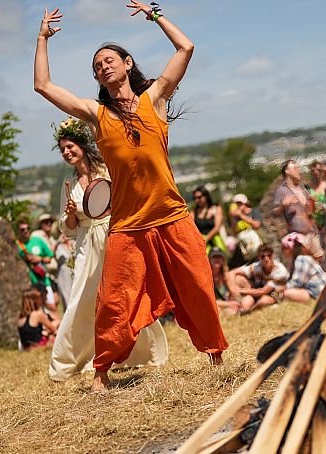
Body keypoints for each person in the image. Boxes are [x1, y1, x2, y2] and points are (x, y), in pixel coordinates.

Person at [34, 2, 228, 391]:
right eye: (97, 66)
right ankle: (102, 372)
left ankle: (215, 355)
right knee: (114, 301)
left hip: (172, 216)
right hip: (128, 225)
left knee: (199, 287)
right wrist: (42, 39)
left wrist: (155, 15)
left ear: (127, 63)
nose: (103, 67)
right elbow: (44, 86)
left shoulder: (155, 99)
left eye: (109, 60)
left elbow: (186, 47)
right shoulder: (96, 114)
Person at [49, 117, 168, 381]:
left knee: (123, 292)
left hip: (113, 233)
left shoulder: (106, 170)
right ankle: (73, 358)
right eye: (62, 149)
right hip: (86, 242)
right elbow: (69, 228)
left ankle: (140, 350)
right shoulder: (68, 185)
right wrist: (71, 213)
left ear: (81, 146)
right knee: (83, 296)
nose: (66, 152)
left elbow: (126, 198)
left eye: (70, 147)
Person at [272, 160, 323, 259]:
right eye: (295, 168)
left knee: (319, 261)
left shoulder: (302, 188)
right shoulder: (281, 191)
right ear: (287, 171)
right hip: (298, 237)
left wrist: (314, 204)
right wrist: (283, 205)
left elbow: (312, 206)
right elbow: (275, 212)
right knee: (304, 262)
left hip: (313, 232)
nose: (298, 171)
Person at [226, 244, 289, 314]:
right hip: (257, 291)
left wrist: (239, 291)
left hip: (274, 295)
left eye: (269, 255)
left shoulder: (280, 272)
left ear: (273, 256)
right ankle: (235, 304)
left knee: (264, 301)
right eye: (263, 256)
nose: (266, 259)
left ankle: (249, 311)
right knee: (239, 279)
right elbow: (231, 272)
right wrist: (232, 289)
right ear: (259, 258)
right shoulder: (257, 266)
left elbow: (263, 291)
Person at [15, 218, 58, 314]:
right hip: (28, 285)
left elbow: (50, 257)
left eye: (27, 228)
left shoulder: (38, 241)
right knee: (35, 312)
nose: (25, 231)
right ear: (18, 231)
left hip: (43, 281)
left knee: (52, 308)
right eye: (22, 229)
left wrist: (40, 259)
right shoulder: (17, 245)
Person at [278, 233, 326, 303]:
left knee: (287, 293)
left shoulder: (301, 259)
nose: (282, 251)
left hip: (319, 293)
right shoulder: (300, 259)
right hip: (319, 291)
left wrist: (282, 289)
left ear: (290, 249)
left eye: (284, 248)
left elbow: (296, 283)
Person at [228, 193, 262, 268]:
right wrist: (233, 218)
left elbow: (256, 225)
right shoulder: (236, 217)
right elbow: (234, 232)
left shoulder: (254, 211)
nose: (238, 206)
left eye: (239, 203)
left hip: (259, 246)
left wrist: (241, 216)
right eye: (236, 204)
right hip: (246, 250)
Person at [192, 186, 228, 254]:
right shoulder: (193, 212)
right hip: (201, 244)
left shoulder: (216, 208)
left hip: (216, 242)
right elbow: (192, 228)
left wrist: (205, 239)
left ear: (206, 196)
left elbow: (217, 228)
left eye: (199, 197)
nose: (197, 200)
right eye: (195, 198)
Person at [209, 248, 240, 315]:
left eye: (219, 257)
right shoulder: (207, 277)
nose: (217, 259)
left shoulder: (226, 275)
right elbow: (209, 301)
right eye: (214, 257)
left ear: (223, 259)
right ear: (209, 260)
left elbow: (234, 294)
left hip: (227, 304)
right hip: (216, 305)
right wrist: (229, 304)